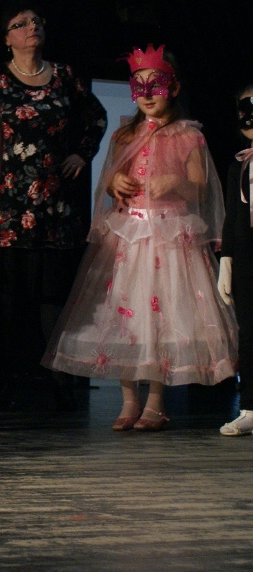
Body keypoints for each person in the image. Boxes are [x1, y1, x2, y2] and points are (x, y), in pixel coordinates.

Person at [43, 45, 237, 430]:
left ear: (174, 88)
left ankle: (156, 402)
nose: (147, 94)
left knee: (161, 317)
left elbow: (200, 186)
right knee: (125, 317)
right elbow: (111, 177)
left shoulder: (188, 136)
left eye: (156, 85)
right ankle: (129, 400)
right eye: (139, 86)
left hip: (167, 235)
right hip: (129, 235)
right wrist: (115, 182)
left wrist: (176, 181)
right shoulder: (125, 133)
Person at [0, 1, 108, 409]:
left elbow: (96, 117)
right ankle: (2, 383)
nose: (31, 27)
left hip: (55, 205)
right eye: (20, 24)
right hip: (8, 206)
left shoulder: (64, 76)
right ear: (7, 38)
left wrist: (82, 154)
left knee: (53, 296)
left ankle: (60, 382)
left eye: (36, 21)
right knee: (9, 297)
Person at [217, 86, 253, 436]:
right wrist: (226, 260)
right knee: (249, 333)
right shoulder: (239, 164)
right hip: (246, 258)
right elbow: (232, 217)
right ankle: (251, 407)